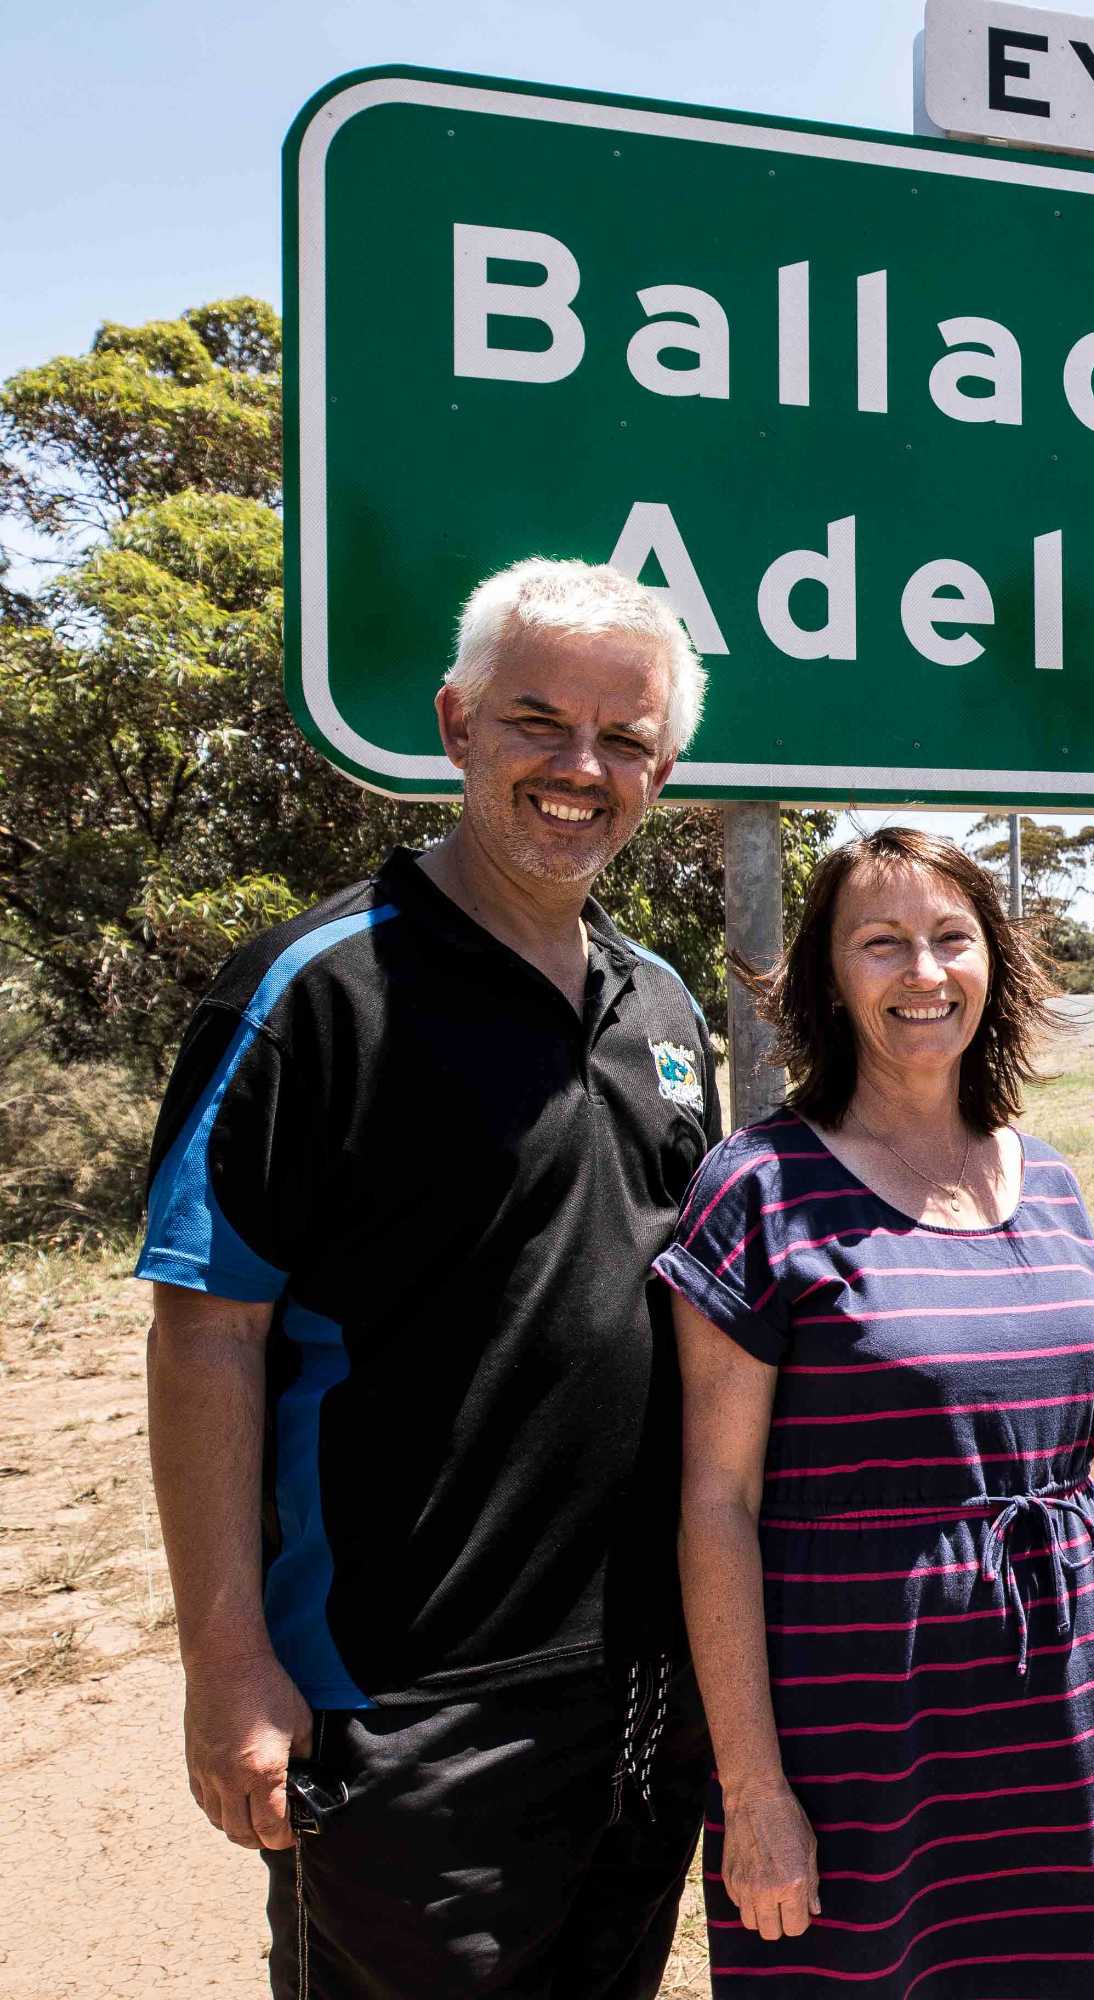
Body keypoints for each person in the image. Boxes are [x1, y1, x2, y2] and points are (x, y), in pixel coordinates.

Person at [140, 559, 718, 1996]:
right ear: (457, 727)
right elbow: (203, 1335)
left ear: (664, 765)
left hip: (647, 1688)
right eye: (539, 721)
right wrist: (226, 1672)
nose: (582, 768)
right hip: (406, 1703)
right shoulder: (316, 991)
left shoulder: (664, 1006)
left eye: (626, 739)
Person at [657, 826, 1094, 1997]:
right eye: (882, 944)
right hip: (859, 1748)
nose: (923, 972)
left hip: (1060, 1733)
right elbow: (715, 1504)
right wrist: (755, 1790)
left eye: (950, 938)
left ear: (995, 962)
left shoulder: (1055, 1180)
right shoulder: (757, 1187)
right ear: (829, 978)